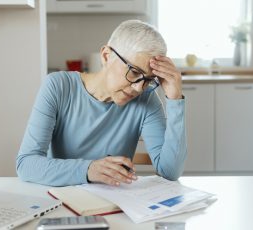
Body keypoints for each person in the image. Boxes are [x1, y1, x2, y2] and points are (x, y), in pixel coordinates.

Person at [16, 20, 187, 187]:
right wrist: (89, 169)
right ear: (106, 56)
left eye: (148, 80)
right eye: (134, 72)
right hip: (64, 199)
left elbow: (169, 172)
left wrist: (175, 99)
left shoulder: (147, 99)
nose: (138, 88)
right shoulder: (59, 86)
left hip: (115, 203)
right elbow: (26, 164)